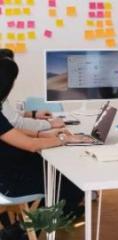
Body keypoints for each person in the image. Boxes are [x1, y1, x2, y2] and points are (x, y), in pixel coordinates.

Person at [0, 58, 93, 230]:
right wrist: (65, 139)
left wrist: (42, 134)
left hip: (10, 169)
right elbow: (30, 145)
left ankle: (47, 217)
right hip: (9, 181)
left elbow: (10, 132)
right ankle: (20, 231)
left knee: (60, 173)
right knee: (73, 184)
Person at [0, 48, 64, 131]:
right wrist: (49, 124)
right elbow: (16, 123)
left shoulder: (2, 97)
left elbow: (7, 115)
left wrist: (32, 114)